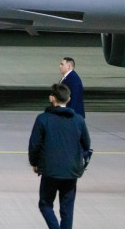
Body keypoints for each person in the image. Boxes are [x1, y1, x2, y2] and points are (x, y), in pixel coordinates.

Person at [28, 83, 91, 229]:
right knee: (67, 209)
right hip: (71, 171)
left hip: (50, 170)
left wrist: (34, 163)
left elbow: (34, 145)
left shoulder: (43, 119)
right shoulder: (78, 120)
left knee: (45, 204)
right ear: (68, 99)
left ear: (52, 98)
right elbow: (86, 144)